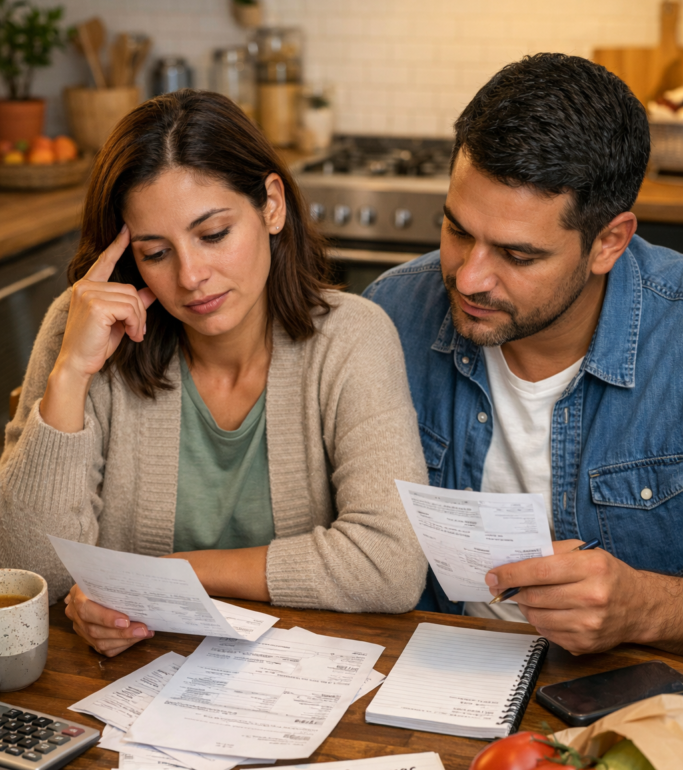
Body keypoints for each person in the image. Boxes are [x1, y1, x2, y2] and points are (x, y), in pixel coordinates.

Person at [0, 89, 427, 657]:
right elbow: (29, 577)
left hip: (307, 687)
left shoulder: (353, 338)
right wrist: (71, 372)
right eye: (156, 253)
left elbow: (391, 565)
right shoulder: (82, 329)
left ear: (271, 205)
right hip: (126, 684)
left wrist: (170, 575)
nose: (191, 275)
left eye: (213, 234)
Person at [365, 52, 683, 656]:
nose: (468, 278)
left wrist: (649, 608)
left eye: (517, 255)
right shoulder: (390, 317)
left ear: (608, 242)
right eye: (457, 230)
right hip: (425, 694)